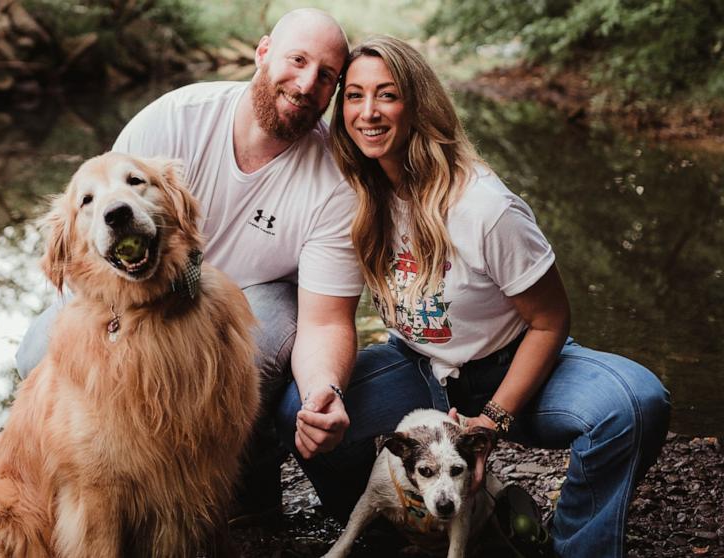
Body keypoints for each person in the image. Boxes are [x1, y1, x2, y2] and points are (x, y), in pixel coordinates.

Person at [274, 35, 671, 557]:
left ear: (418, 105)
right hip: (416, 367)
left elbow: (551, 322)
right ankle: (405, 521)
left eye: (387, 95)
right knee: (302, 410)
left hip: (509, 367)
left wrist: (494, 419)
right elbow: (328, 321)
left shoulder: (483, 207)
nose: (368, 112)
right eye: (354, 95)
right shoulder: (355, 196)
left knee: (634, 403)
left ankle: (568, 544)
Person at [15, 9, 364, 521]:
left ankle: (242, 471)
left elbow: (326, 319)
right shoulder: (176, 117)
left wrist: (323, 393)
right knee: (39, 353)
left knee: (232, 364)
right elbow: (100, 227)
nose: (308, 82)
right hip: (141, 289)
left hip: (255, 298)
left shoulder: (334, 178)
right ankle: (102, 475)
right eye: (297, 60)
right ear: (263, 52)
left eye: (327, 75)